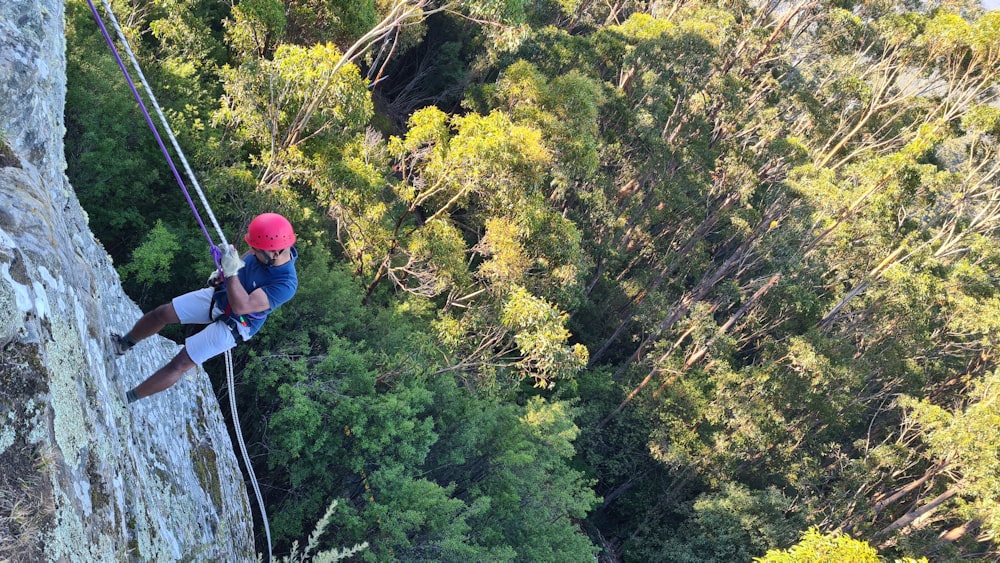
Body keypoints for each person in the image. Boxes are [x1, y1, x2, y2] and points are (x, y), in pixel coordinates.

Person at [111, 213, 298, 403]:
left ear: (275, 253)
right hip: (223, 295)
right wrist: (224, 270)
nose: (252, 251)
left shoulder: (285, 284)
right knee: (163, 313)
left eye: (256, 250)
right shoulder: (264, 249)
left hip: (238, 323)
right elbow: (241, 263)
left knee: (181, 362)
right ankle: (122, 345)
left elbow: (242, 306)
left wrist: (231, 272)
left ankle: (125, 399)